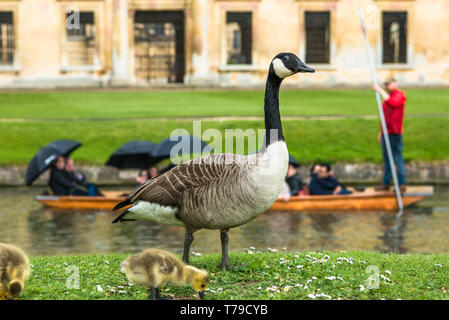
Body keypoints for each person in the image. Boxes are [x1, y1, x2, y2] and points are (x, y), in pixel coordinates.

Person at [373, 77, 407, 193]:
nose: (387, 87)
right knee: (387, 159)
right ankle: (386, 183)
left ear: (395, 84)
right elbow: (383, 118)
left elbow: (393, 102)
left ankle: (402, 184)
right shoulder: (385, 99)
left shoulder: (400, 95)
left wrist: (379, 90)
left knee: (397, 158)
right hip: (386, 133)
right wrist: (380, 132)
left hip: (395, 132)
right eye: (385, 85)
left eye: (389, 84)